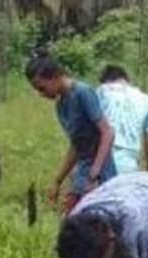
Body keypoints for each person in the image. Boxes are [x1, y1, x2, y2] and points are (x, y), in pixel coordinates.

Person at [25, 50, 116, 214]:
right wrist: (57, 181)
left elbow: (107, 133)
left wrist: (94, 174)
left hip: (100, 175)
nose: (41, 94)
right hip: (82, 175)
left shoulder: (83, 93)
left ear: (54, 76)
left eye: (42, 88)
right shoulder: (61, 106)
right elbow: (76, 145)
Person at [97, 64, 148, 175]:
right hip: (129, 166)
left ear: (105, 80)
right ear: (127, 79)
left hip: (100, 161)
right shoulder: (147, 99)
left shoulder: (101, 92)